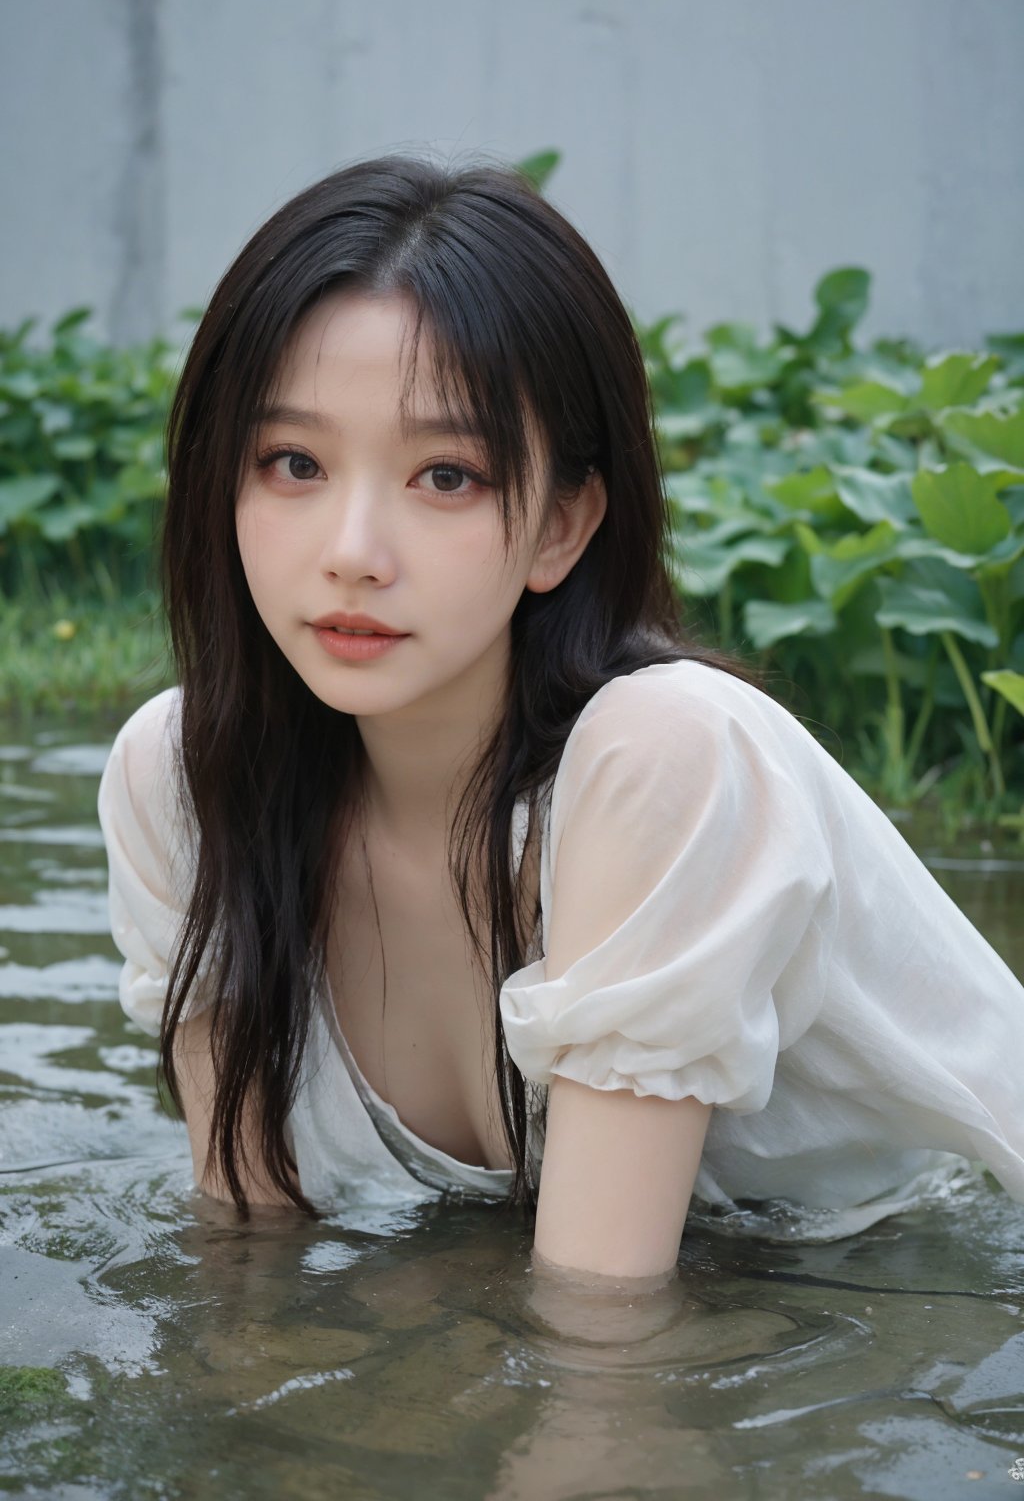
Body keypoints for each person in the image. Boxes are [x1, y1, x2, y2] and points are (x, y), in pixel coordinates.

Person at [97, 153, 1024, 1290]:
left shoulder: (660, 757)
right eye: (292, 462)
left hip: (931, 1304)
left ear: (562, 526)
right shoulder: (181, 783)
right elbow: (243, 1265)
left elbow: (599, 1352)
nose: (350, 552)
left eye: (446, 476)